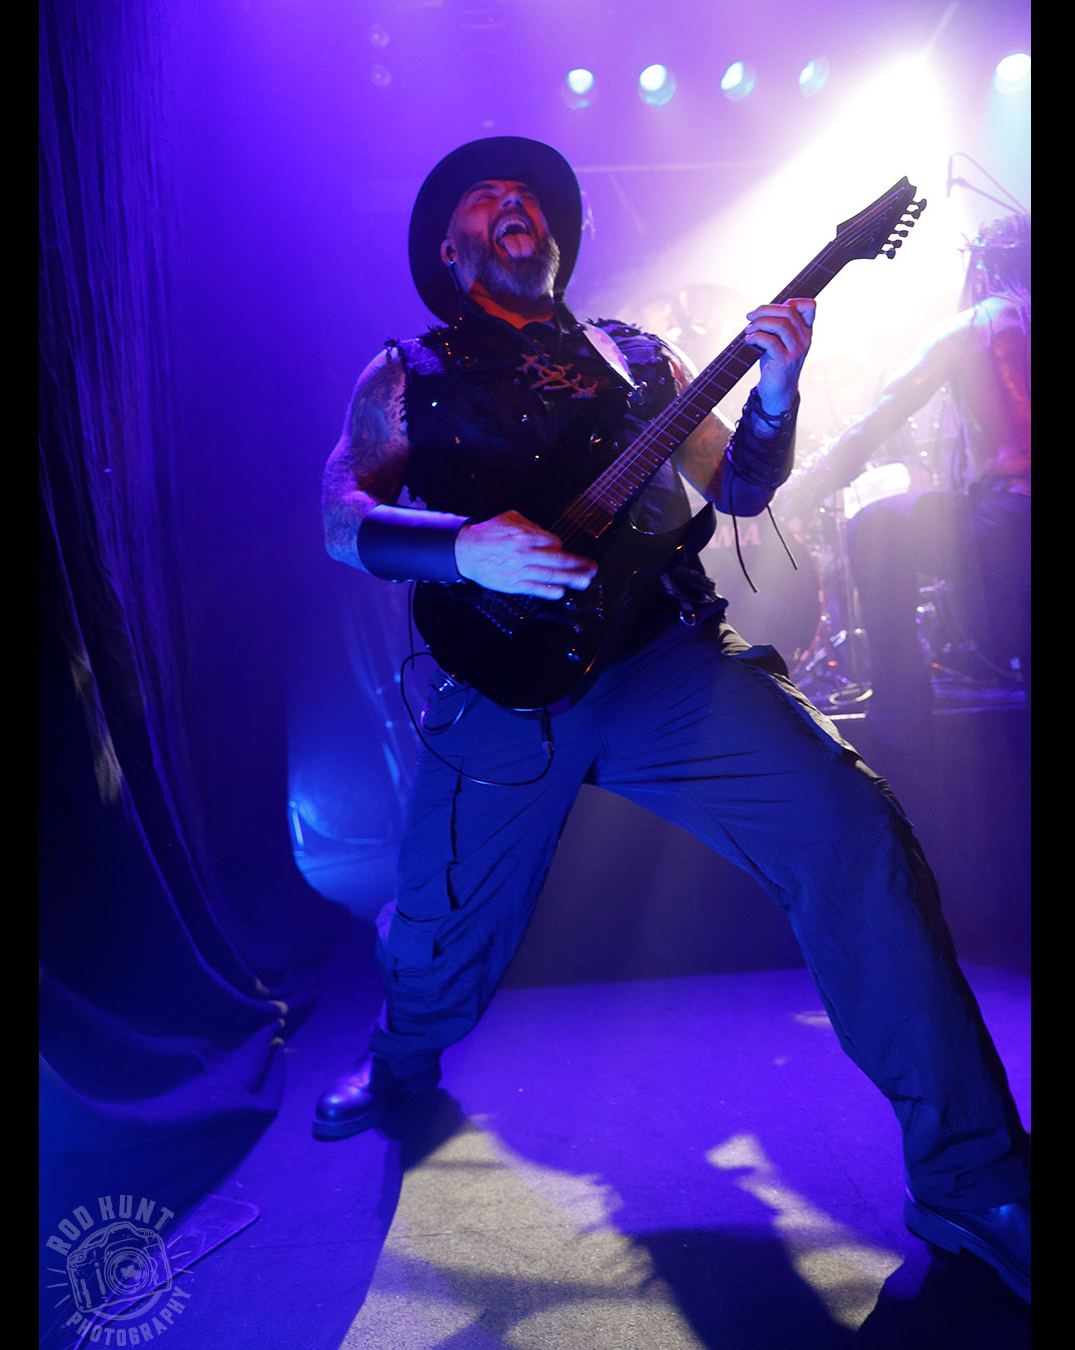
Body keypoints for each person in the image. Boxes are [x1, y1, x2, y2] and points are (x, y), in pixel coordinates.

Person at [318, 139, 1029, 1299]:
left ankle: (978, 1182)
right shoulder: (407, 371)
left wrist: (779, 391)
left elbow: (738, 487)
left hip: (665, 662)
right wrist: (463, 550)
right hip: (500, 686)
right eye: (485, 198)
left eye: (528, 195)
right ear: (448, 248)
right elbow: (342, 518)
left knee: (854, 832)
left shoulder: (637, 356)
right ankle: (402, 1058)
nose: (514, 203)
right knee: (442, 940)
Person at [815, 215, 1031, 725]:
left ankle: (901, 712)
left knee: (875, 526)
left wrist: (812, 481)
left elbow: (883, 414)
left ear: (986, 266)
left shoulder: (974, 325)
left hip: (1014, 514)